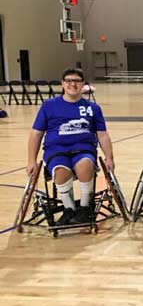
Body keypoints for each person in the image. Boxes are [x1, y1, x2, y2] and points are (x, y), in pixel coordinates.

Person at [26, 68, 115, 225]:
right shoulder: (49, 106)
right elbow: (36, 134)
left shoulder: (93, 108)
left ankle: (85, 208)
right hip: (56, 150)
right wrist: (31, 160)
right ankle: (69, 209)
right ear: (62, 84)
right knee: (61, 171)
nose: (72, 84)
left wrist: (109, 158)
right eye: (68, 81)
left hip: (83, 149)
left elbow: (102, 135)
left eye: (76, 81)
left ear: (83, 85)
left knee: (85, 165)